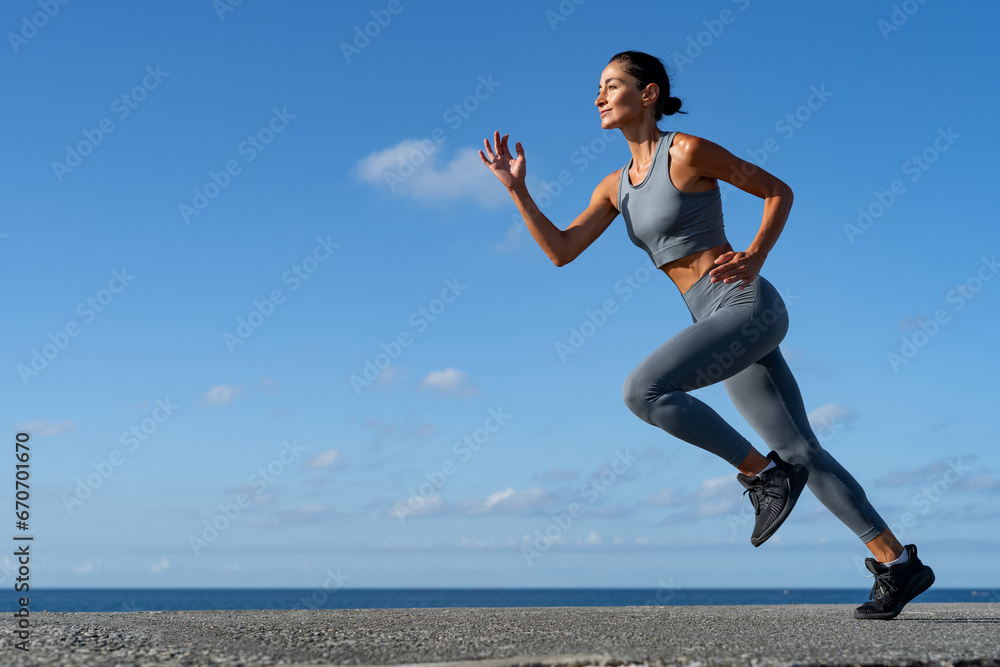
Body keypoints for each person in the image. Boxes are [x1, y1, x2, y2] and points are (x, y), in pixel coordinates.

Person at [480, 50, 935, 620]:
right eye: (597, 87)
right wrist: (517, 191)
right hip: (711, 319)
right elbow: (562, 252)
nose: (598, 96)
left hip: (745, 304)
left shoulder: (688, 151)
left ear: (648, 95)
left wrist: (755, 256)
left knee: (642, 391)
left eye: (611, 85)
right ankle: (897, 563)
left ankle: (764, 476)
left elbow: (777, 190)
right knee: (801, 450)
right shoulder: (614, 187)